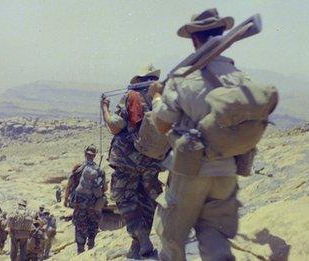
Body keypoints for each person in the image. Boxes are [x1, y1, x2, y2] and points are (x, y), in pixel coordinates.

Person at [150, 8, 243, 261]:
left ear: (194, 39)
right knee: (214, 235)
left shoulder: (185, 78)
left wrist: (157, 97)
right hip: (227, 170)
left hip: (190, 171)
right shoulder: (238, 77)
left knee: (172, 238)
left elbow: (161, 124)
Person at [100, 65, 163, 259]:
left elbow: (115, 126)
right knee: (147, 198)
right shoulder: (161, 97)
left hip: (127, 159)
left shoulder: (132, 96)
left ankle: (141, 236)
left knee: (124, 196)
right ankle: (137, 245)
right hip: (153, 160)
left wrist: (105, 109)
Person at [65, 145, 107, 254]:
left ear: (85, 154)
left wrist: (66, 200)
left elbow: (69, 186)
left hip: (80, 205)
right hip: (94, 206)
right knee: (93, 225)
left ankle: (80, 251)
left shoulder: (78, 169)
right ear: (94, 156)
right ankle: (91, 248)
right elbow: (105, 188)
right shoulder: (100, 170)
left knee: (80, 226)